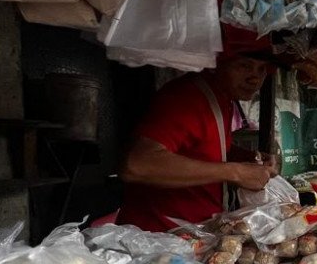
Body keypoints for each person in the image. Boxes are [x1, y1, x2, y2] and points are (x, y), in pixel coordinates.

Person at [117, 54, 278, 232]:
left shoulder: (224, 98)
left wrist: (249, 158)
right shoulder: (186, 98)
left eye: (261, 69)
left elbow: (201, 149)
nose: (254, 78)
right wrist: (236, 172)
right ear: (217, 62)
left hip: (197, 232)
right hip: (158, 236)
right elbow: (137, 164)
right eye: (244, 65)